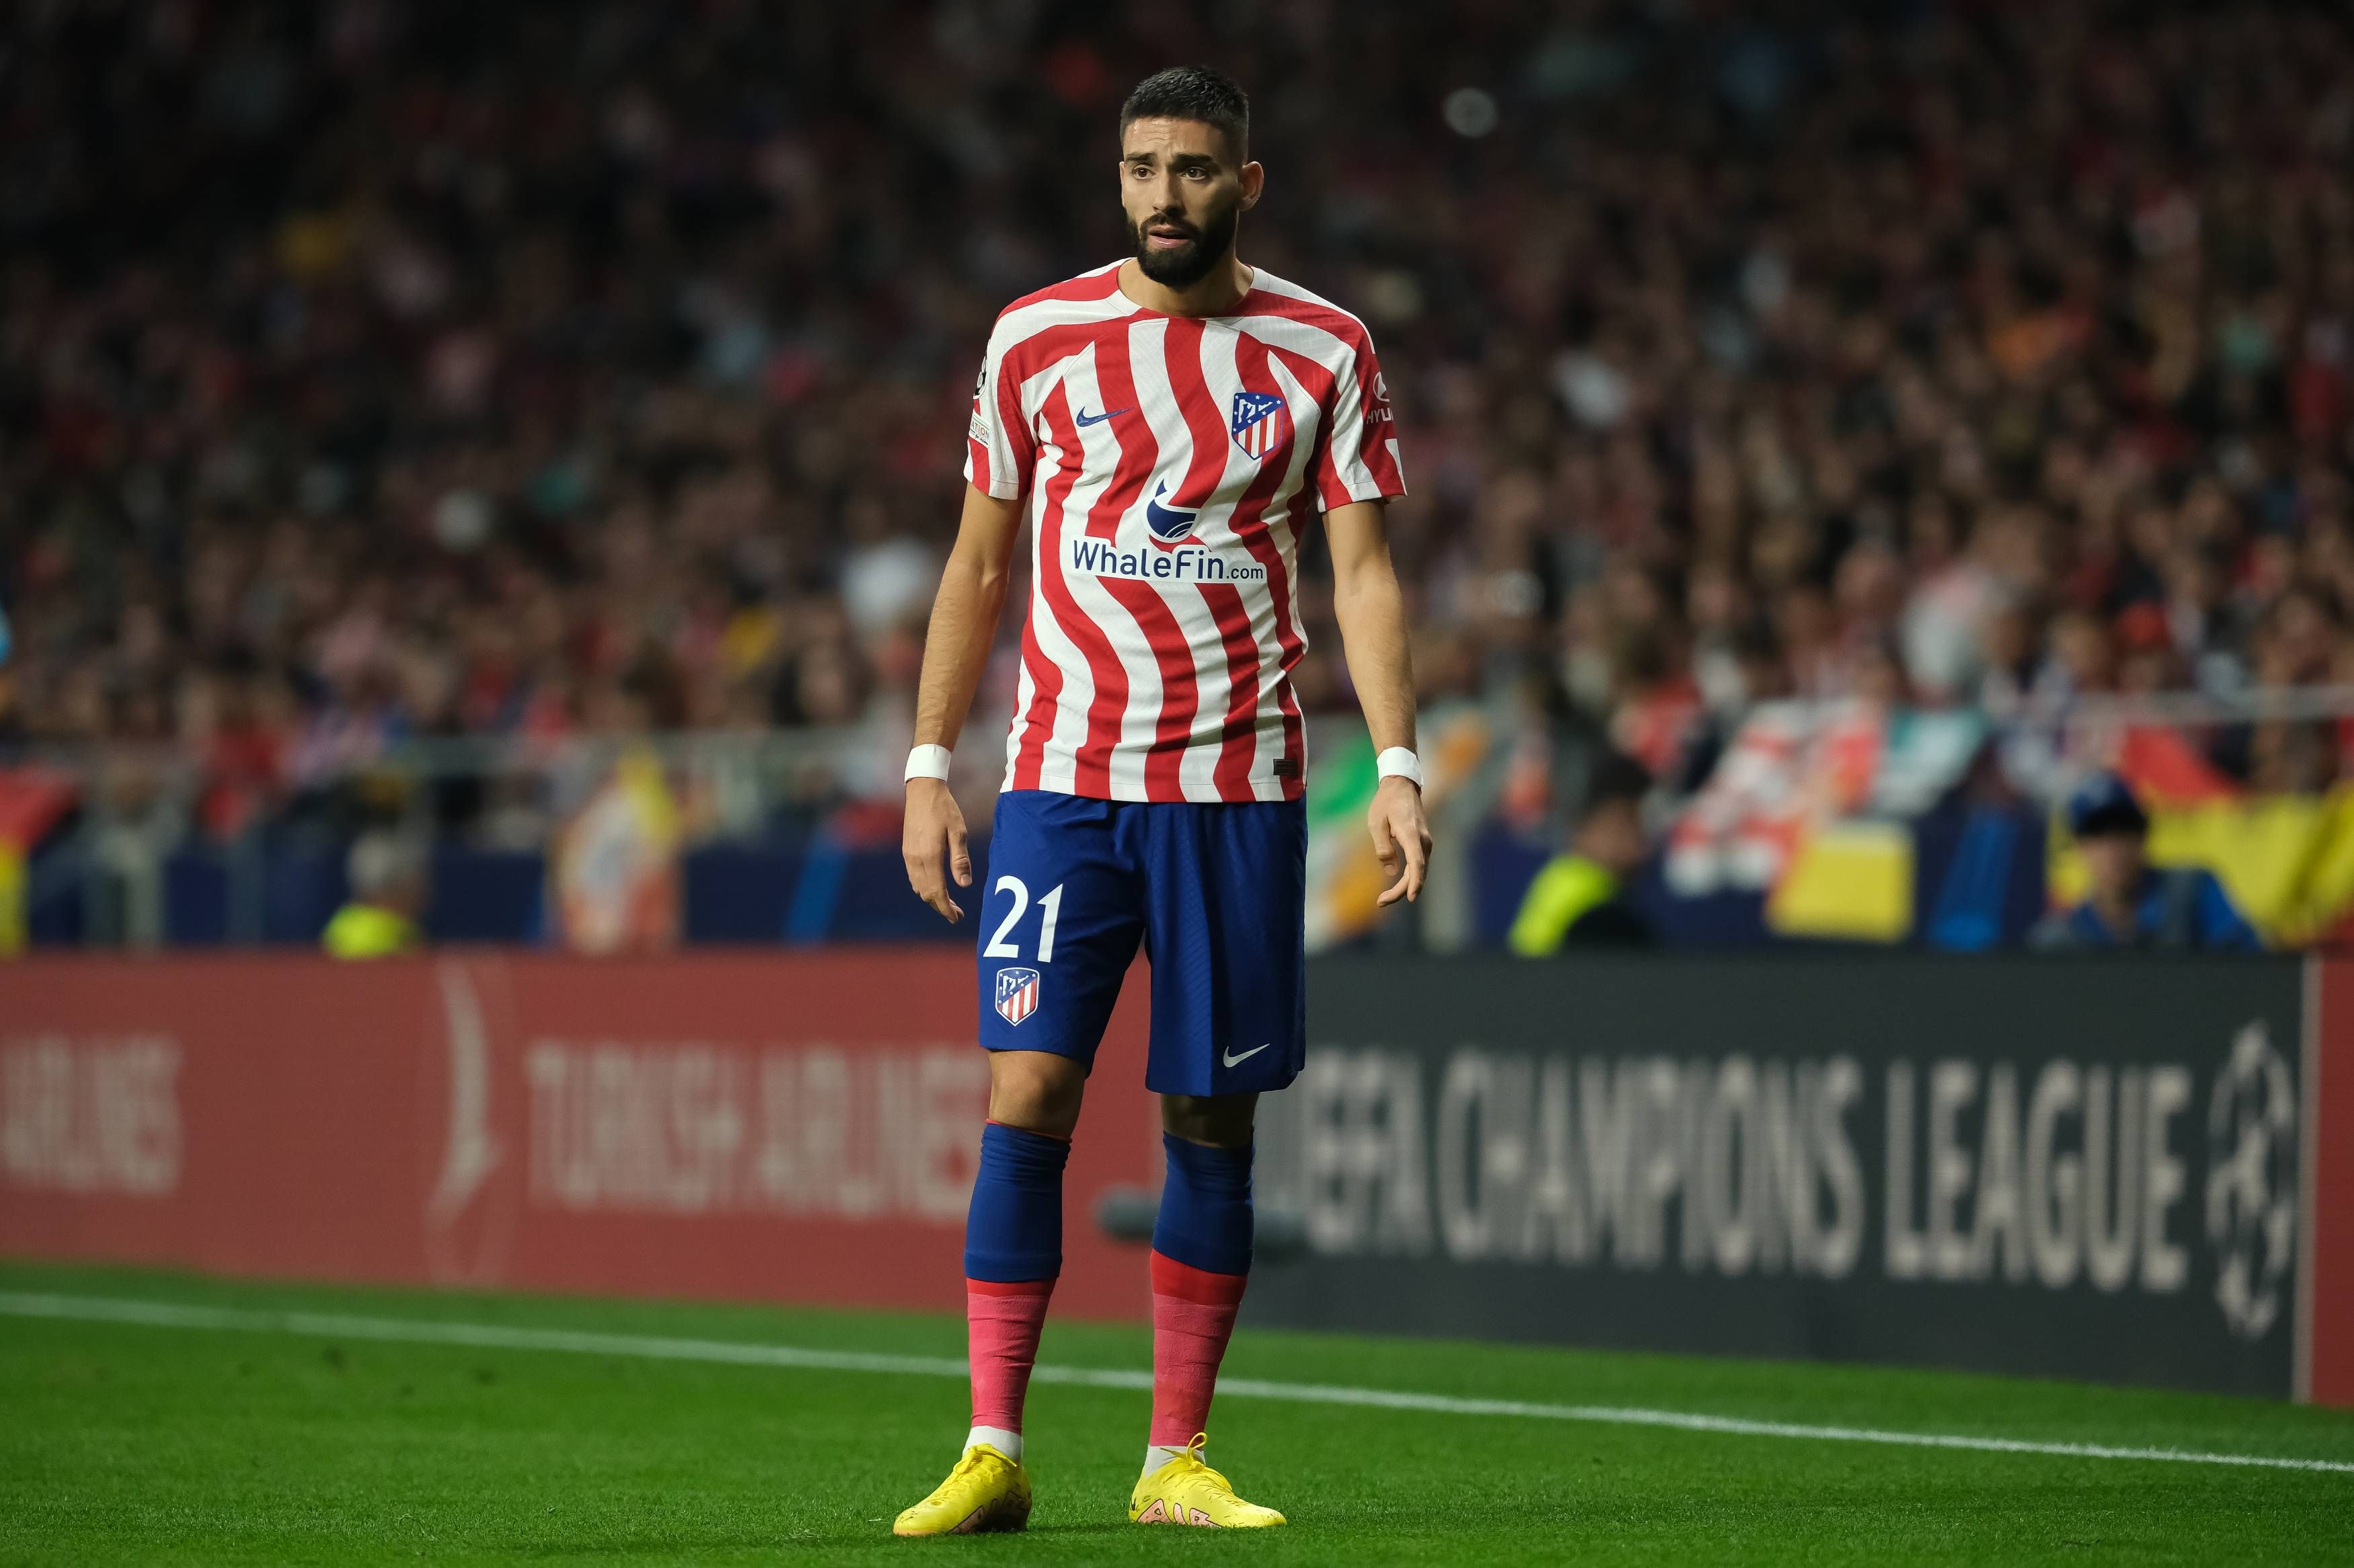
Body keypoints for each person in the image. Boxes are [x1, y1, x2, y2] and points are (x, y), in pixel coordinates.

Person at [893, 66, 1426, 1535]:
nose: (1163, 194)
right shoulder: (1037, 338)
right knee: (1028, 1086)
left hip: (1237, 785)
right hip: (1062, 781)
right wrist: (933, 763)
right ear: (1116, 179)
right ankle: (993, 1442)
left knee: (1208, 1112)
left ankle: (1172, 1457)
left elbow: (1364, 573)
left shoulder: (1323, 347)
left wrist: (1393, 762)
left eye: (1194, 169)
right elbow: (977, 566)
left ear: (1243, 185)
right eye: (1141, 167)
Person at [2030, 773, 2261, 951]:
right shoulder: (2059, 940)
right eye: (2098, 834)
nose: (2113, 848)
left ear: (2143, 836)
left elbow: (2247, 968)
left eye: (2124, 830)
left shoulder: (2192, 891)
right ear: (2080, 846)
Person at [1508, 753, 1657, 953]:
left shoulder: (1558, 878)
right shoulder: (1588, 900)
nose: (1638, 843)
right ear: (1584, 826)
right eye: (1626, 825)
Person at [321, 832, 426, 958]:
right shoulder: (364, 941)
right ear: (391, 887)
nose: (423, 888)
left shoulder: (406, 929)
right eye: (413, 879)